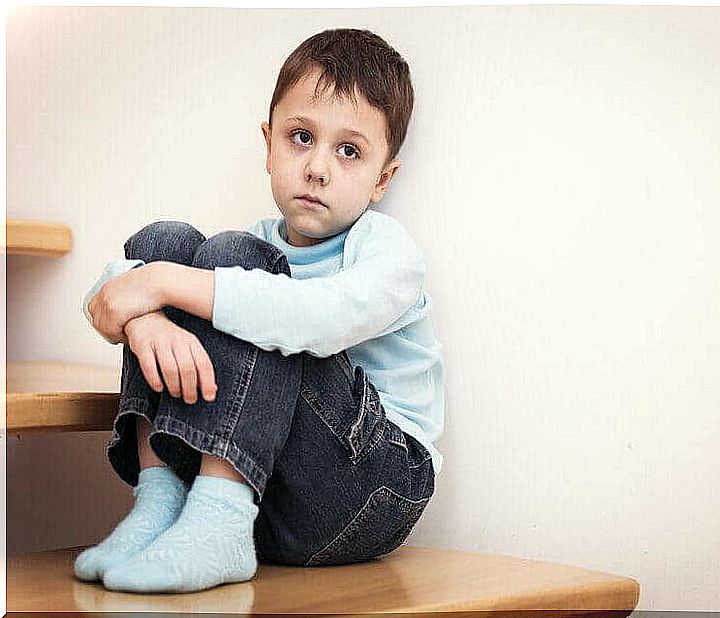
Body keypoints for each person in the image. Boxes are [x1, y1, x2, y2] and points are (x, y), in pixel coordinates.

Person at [73, 27, 444, 594]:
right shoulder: (255, 245)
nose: (318, 166)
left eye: (349, 151)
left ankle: (218, 518)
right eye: (301, 137)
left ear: (382, 179)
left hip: (370, 488)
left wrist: (162, 286)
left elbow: (315, 319)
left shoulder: (387, 252)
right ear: (268, 145)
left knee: (229, 267)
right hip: (266, 496)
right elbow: (107, 296)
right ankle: (162, 502)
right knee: (166, 240)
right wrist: (143, 313)